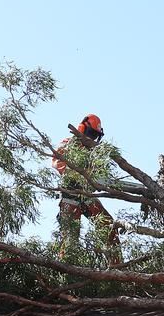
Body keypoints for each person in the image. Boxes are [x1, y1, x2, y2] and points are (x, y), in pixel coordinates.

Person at [51, 114, 122, 265]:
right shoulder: (68, 144)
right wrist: (76, 172)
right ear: (82, 128)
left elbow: (101, 175)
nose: (92, 138)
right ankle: (66, 275)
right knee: (70, 240)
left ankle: (118, 268)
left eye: (95, 135)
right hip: (70, 196)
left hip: (87, 196)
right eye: (91, 133)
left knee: (109, 226)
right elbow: (57, 163)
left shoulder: (94, 152)